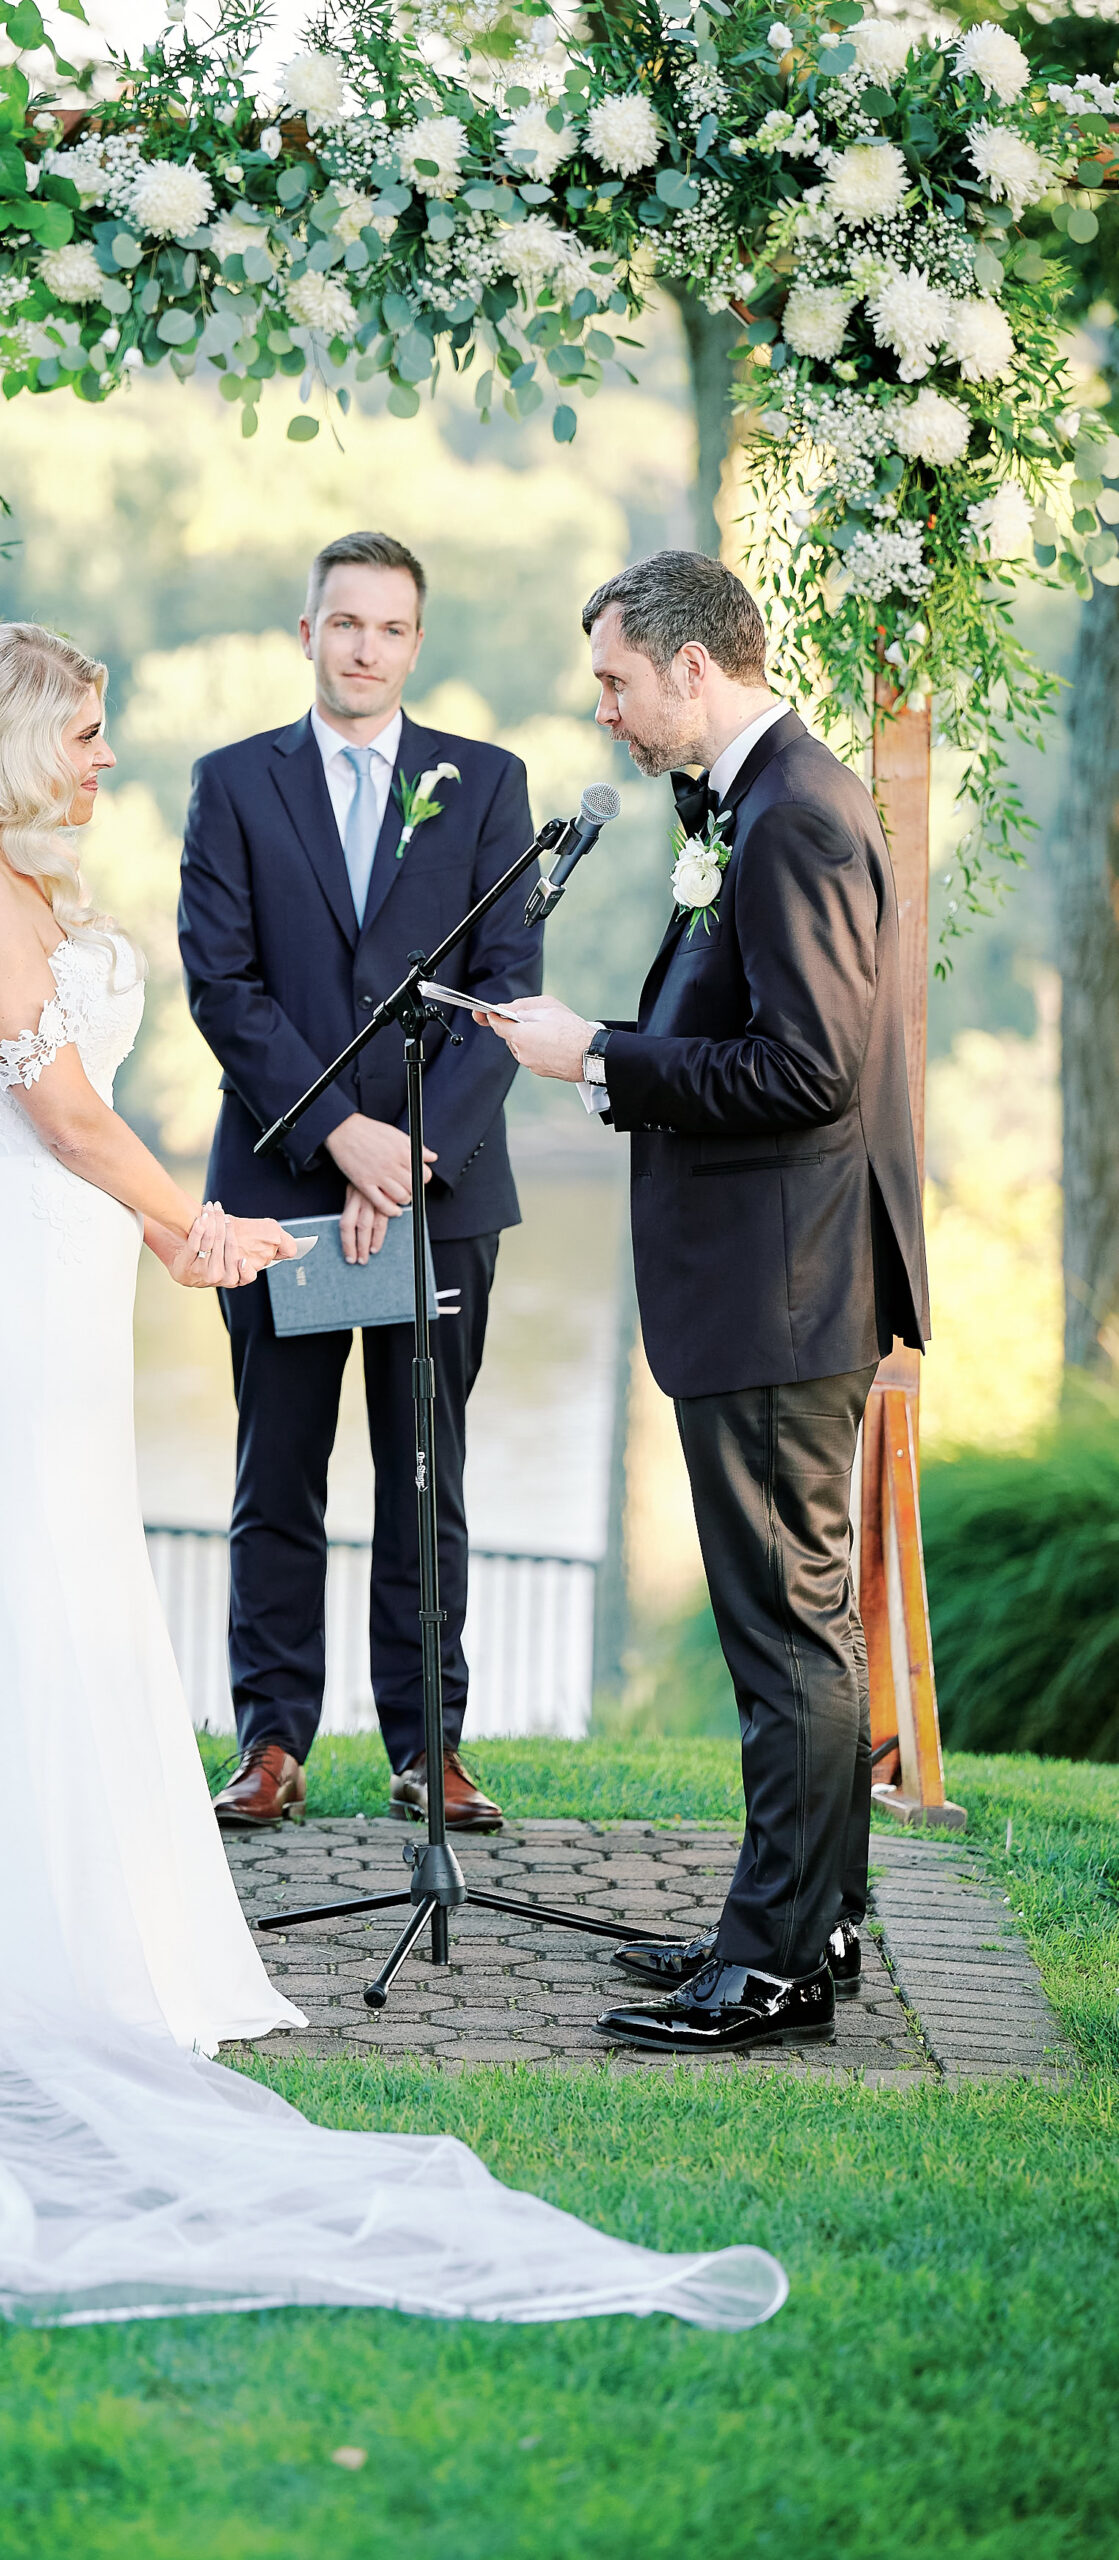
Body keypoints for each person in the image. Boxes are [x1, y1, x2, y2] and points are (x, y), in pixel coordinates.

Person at [0, 622, 784, 2334]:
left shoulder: (24, 878)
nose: (107, 757)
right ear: (14, 744)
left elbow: (82, 1104)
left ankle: (77, 1924)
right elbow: (62, 1115)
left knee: (58, 1580)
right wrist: (192, 1221)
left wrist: (181, 1227)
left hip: (53, 1275)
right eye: (87, 733)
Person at [480, 552, 928, 2057]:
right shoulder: (759, 799)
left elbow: (807, 1069)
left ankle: (776, 1971)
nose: (602, 709)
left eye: (615, 679)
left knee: (786, 1631)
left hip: (780, 1285)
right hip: (775, 1279)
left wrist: (594, 1056)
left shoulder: (794, 814)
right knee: (800, 1620)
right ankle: (812, 1921)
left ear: (692, 666)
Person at [179, 533, 542, 1835]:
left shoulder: (487, 785)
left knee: (424, 1476)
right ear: (307, 630)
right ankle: (271, 1744)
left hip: (441, 1196)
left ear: (415, 644)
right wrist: (343, 1137)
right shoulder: (233, 785)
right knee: (277, 1471)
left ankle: (428, 1749)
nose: (364, 647)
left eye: (388, 629)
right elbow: (224, 988)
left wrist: (413, 1153)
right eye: (344, 623)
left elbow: (504, 991)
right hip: (282, 1190)